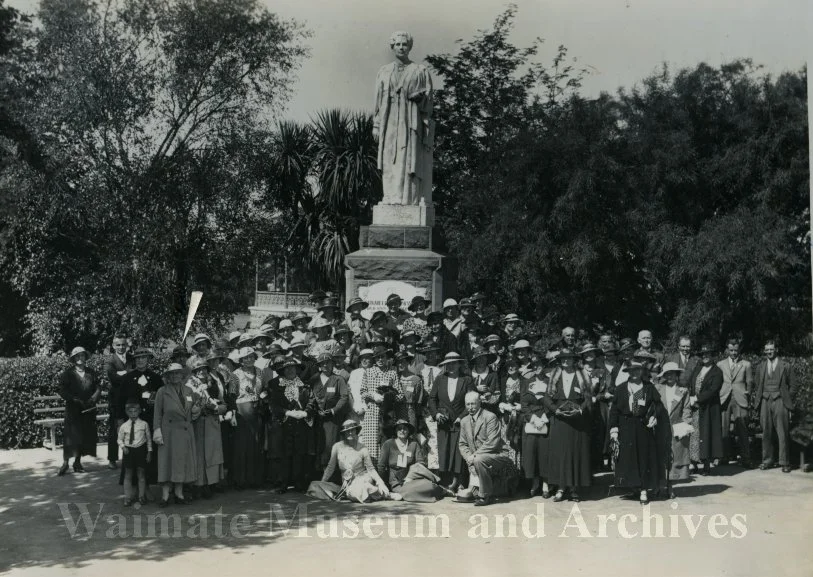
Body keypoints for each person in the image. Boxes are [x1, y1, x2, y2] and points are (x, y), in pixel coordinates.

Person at [372, 30, 434, 206]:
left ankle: (408, 199)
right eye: (397, 44)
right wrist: (376, 125)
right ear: (392, 46)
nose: (401, 47)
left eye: (404, 44)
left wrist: (421, 98)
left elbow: (429, 102)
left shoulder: (419, 71)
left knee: (408, 157)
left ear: (409, 46)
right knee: (390, 155)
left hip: (411, 118)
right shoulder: (384, 72)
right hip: (389, 119)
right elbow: (377, 101)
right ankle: (390, 196)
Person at [609, 360, 663, 505]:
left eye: (637, 370)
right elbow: (614, 411)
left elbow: (658, 406)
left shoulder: (648, 387)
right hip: (625, 427)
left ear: (642, 371)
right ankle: (634, 488)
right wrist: (614, 429)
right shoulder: (620, 389)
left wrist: (654, 416)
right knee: (629, 459)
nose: (634, 373)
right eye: (631, 370)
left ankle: (644, 490)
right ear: (628, 372)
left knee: (644, 458)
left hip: (643, 427)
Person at [543, 348, 592, 502]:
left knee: (575, 453)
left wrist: (580, 409)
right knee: (560, 454)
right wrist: (555, 410)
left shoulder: (583, 374)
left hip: (577, 420)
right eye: (563, 358)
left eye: (569, 358)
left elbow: (588, 398)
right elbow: (546, 398)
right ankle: (560, 487)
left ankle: (574, 488)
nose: (566, 361)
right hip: (559, 419)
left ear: (574, 359)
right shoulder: (554, 375)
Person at [307, 420, 395, 503]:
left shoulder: (363, 448)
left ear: (356, 431)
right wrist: (323, 483)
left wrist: (381, 482)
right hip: (345, 485)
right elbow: (330, 467)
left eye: (352, 430)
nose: (350, 433)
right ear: (343, 433)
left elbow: (371, 469)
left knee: (357, 489)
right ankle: (368, 493)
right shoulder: (337, 446)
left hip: (362, 479)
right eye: (347, 431)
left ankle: (381, 493)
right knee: (314, 485)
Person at [456, 392, 519, 506]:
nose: (470, 407)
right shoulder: (464, 421)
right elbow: (462, 444)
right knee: (469, 494)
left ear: (479, 403)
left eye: (473, 404)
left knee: (478, 460)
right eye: (468, 404)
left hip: (497, 456)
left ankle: (485, 496)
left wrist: (473, 456)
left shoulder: (490, 417)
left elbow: (492, 443)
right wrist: (469, 459)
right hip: (477, 459)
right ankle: (482, 489)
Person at [153, 363, 199, 506]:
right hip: (169, 432)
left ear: (182, 375)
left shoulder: (189, 391)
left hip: (185, 432)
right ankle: (165, 496)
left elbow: (193, 410)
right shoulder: (162, 391)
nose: (175, 376)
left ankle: (179, 494)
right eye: (171, 374)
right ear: (167, 377)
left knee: (180, 463)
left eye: (177, 373)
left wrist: (197, 410)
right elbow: (157, 413)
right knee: (167, 463)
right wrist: (157, 430)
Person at [270, 358, 318, 493]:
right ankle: (283, 483)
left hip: (301, 424)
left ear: (297, 370)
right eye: (287, 368)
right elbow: (273, 406)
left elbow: (311, 401)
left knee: (299, 453)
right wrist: (287, 412)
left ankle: (299, 482)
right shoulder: (278, 387)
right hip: (284, 424)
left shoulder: (305, 386)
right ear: (283, 371)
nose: (290, 370)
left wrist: (305, 412)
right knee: (284, 454)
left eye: (293, 368)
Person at [429, 351, 474, 492]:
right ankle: (445, 481)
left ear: (460, 364)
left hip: (460, 421)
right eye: (449, 364)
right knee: (444, 450)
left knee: (459, 452)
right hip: (444, 422)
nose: (452, 366)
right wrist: (436, 414)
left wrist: (462, 416)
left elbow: (471, 399)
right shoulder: (440, 379)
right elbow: (432, 399)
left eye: (454, 363)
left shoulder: (467, 380)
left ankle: (459, 481)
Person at [118, 347, 162, 488]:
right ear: (134, 360)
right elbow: (119, 401)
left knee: (148, 454)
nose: (141, 360)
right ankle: (133, 488)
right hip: (133, 422)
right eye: (138, 358)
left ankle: (146, 487)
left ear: (148, 359)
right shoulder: (127, 378)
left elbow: (162, 400)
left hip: (149, 420)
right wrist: (120, 420)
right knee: (133, 454)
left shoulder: (156, 378)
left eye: (143, 357)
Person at [378, 420, 450, 502]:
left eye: (405, 428)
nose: (402, 430)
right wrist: (383, 484)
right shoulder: (388, 444)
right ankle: (399, 494)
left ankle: (441, 490)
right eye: (399, 428)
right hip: (395, 482)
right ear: (395, 431)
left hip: (412, 479)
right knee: (409, 491)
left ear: (408, 431)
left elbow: (420, 463)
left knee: (429, 486)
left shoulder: (414, 444)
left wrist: (410, 477)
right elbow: (381, 466)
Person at [186, 357, 226, 498]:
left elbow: (223, 404)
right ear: (194, 372)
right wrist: (199, 406)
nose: (201, 372)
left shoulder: (214, 384)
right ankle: (198, 485)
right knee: (198, 454)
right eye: (198, 370)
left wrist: (216, 408)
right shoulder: (189, 386)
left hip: (212, 422)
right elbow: (187, 406)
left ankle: (211, 484)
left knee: (212, 453)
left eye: (204, 369)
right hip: (197, 423)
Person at [58, 347, 101, 476]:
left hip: (88, 409)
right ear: (73, 359)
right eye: (77, 356)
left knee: (83, 436)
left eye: (82, 356)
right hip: (73, 409)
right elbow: (62, 390)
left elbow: (98, 388)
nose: (80, 358)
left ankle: (77, 463)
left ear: (85, 358)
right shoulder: (68, 373)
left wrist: (93, 399)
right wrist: (74, 399)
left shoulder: (91, 372)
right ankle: (65, 463)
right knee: (70, 437)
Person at [754, 340, 796, 473]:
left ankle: (784, 462)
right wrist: (759, 401)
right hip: (765, 401)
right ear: (764, 351)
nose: (769, 352)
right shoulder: (761, 366)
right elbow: (757, 385)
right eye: (767, 350)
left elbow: (794, 386)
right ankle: (767, 460)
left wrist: (786, 400)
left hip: (780, 401)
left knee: (782, 432)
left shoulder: (786, 365)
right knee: (766, 431)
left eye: (771, 349)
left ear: (776, 349)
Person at [654, 362, 693, 487]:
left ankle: (670, 486)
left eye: (672, 373)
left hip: (676, 426)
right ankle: (660, 484)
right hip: (660, 426)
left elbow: (686, 409)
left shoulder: (683, 390)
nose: (670, 376)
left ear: (677, 375)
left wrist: (685, 423)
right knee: (660, 455)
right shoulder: (658, 388)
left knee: (675, 456)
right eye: (667, 374)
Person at [717, 338, 754, 467]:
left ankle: (746, 458)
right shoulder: (720, 364)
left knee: (742, 429)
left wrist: (747, 395)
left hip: (740, 398)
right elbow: (718, 382)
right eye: (731, 350)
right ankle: (724, 457)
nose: (733, 353)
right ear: (727, 350)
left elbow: (750, 382)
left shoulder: (746, 364)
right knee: (724, 429)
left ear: (739, 350)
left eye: (736, 350)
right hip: (724, 398)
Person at [231, 347, 264, 489]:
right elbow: (232, 396)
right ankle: (241, 480)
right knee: (242, 445)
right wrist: (233, 413)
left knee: (256, 444)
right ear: (241, 360)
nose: (249, 359)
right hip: (242, 410)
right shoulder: (235, 374)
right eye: (245, 357)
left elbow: (263, 390)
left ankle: (254, 479)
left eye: (251, 356)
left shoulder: (260, 372)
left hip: (257, 409)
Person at [688, 344, 724, 475]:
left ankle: (706, 465)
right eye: (703, 354)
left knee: (707, 434)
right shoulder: (697, 369)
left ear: (712, 356)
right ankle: (693, 464)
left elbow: (713, 390)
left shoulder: (717, 372)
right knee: (694, 435)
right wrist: (690, 396)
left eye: (707, 354)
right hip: (695, 409)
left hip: (708, 408)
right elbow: (690, 383)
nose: (705, 357)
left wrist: (697, 398)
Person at [310, 353, 350, 470]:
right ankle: (317, 476)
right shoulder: (314, 379)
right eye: (322, 363)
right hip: (316, 418)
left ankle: (331, 476)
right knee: (317, 445)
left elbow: (344, 397)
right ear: (319, 365)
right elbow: (309, 397)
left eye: (328, 362)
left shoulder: (338, 379)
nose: (325, 365)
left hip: (332, 419)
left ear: (333, 364)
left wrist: (334, 410)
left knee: (330, 446)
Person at [521, 369, 552, 498]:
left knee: (544, 453)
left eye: (541, 365)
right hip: (531, 421)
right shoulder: (527, 382)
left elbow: (553, 402)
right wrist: (533, 419)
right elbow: (524, 404)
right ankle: (535, 482)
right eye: (535, 365)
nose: (538, 368)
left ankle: (546, 483)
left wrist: (544, 418)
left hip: (545, 419)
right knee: (531, 452)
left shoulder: (550, 382)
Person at [104, 333, 133, 470]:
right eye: (118, 345)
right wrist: (128, 374)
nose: (121, 347)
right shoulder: (110, 360)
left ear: (127, 345)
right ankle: (112, 459)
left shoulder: (131, 358)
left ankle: (129, 457)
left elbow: (134, 374)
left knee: (131, 428)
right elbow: (113, 378)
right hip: (116, 401)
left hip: (130, 399)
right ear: (113, 346)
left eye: (123, 344)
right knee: (115, 430)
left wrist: (123, 374)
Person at [118, 399, 153, 506]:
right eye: (130, 412)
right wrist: (123, 447)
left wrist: (149, 452)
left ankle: (141, 496)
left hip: (140, 450)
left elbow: (149, 439)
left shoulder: (144, 424)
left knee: (141, 473)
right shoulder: (124, 426)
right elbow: (119, 439)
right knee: (128, 474)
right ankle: (127, 498)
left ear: (139, 411)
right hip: (129, 451)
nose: (133, 414)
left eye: (135, 411)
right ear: (127, 412)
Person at [394, 351, 424, 430]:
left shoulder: (416, 380)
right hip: (396, 412)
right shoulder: (395, 378)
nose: (400, 364)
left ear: (408, 362)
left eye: (403, 362)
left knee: (411, 434)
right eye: (398, 362)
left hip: (410, 411)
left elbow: (418, 401)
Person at [470, 346, 500, 414]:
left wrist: (489, 396)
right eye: (479, 358)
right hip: (470, 410)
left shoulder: (493, 374)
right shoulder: (469, 373)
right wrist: (475, 388)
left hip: (487, 410)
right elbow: (463, 392)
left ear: (487, 359)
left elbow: (497, 393)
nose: (481, 360)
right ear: (475, 359)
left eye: (484, 357)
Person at [347, 348, 373, 423]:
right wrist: (353, 408)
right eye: (362, 358)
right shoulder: (354, 373)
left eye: (367, 357)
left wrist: (364, 409)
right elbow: (349, 392)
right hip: (354, 411)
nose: (364, 360)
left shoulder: (376, 373)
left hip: (370, 412)